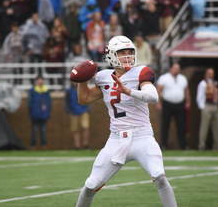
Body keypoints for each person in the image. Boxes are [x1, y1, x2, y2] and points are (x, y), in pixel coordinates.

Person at [75, 35, 177, 207]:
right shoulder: (103, 77)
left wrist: (128, 91)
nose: (128, 56)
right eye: (122, 53)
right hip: (116, 139)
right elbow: (84, 99)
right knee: (91, 184)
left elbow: (153, 96)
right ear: (111, 56)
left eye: (130, 52)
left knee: (159, 175)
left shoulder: (141, 73)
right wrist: (82, 79)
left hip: (142, 136)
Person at [156, 63, 190, 150]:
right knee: (165, 125)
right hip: (167, 104)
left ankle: (183, 145)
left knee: (181, 125)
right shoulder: (164, 78)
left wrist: (188, 101)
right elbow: (158, 90)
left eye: (178, 68)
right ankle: (164, 145)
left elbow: (186, 90)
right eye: (175, 68)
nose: (177, 70)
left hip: (179, 104)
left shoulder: (183, 78)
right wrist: (158, 102)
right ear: (171, 69)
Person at [196, 68, 218, 151]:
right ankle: (202, 145)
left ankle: (217, 145)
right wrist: (203, 107)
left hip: (215, 106)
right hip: (207, 106)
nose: (211, 75)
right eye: (209, 73)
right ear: (206, 74)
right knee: (205, 127)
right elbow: (199, 97)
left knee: (216, 127)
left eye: (212, 73)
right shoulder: (203, 84)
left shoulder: (215, 83)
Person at [22, 13, 49, 84]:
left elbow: (47, 37)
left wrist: (44, 49)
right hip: (32, 50)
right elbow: (25, 38)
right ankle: (32, 83)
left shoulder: (42, 27)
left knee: (40, 67)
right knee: (32, 67)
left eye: (36, 17)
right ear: (31, 18)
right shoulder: (28, 27)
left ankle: (40, 81)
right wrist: (28, 49)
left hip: (40, 50)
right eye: (34, 17)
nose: (35, 19)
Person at [27, 75, 52, 150]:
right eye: (39, 80)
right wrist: (31, 111)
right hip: (35, 114)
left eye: (41, 79)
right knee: (34, 130)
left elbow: (49, 102)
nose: (40, 81)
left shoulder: (46, 90)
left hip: (44, 114)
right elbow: (29, 102)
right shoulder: (33, 90)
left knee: (43, 130)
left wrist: (48, 111)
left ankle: (44, 145)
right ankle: (33, 145)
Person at [65, 81, 91, 150]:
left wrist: (88, 110)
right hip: (74, 113)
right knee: (75, 130)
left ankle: (86, 145)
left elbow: (89, 98)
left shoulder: (84, 89)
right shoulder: (69, 91)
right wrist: (70, 112)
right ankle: (77, 146)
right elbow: (67, 102)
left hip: (84, 111)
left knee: (86, 127)